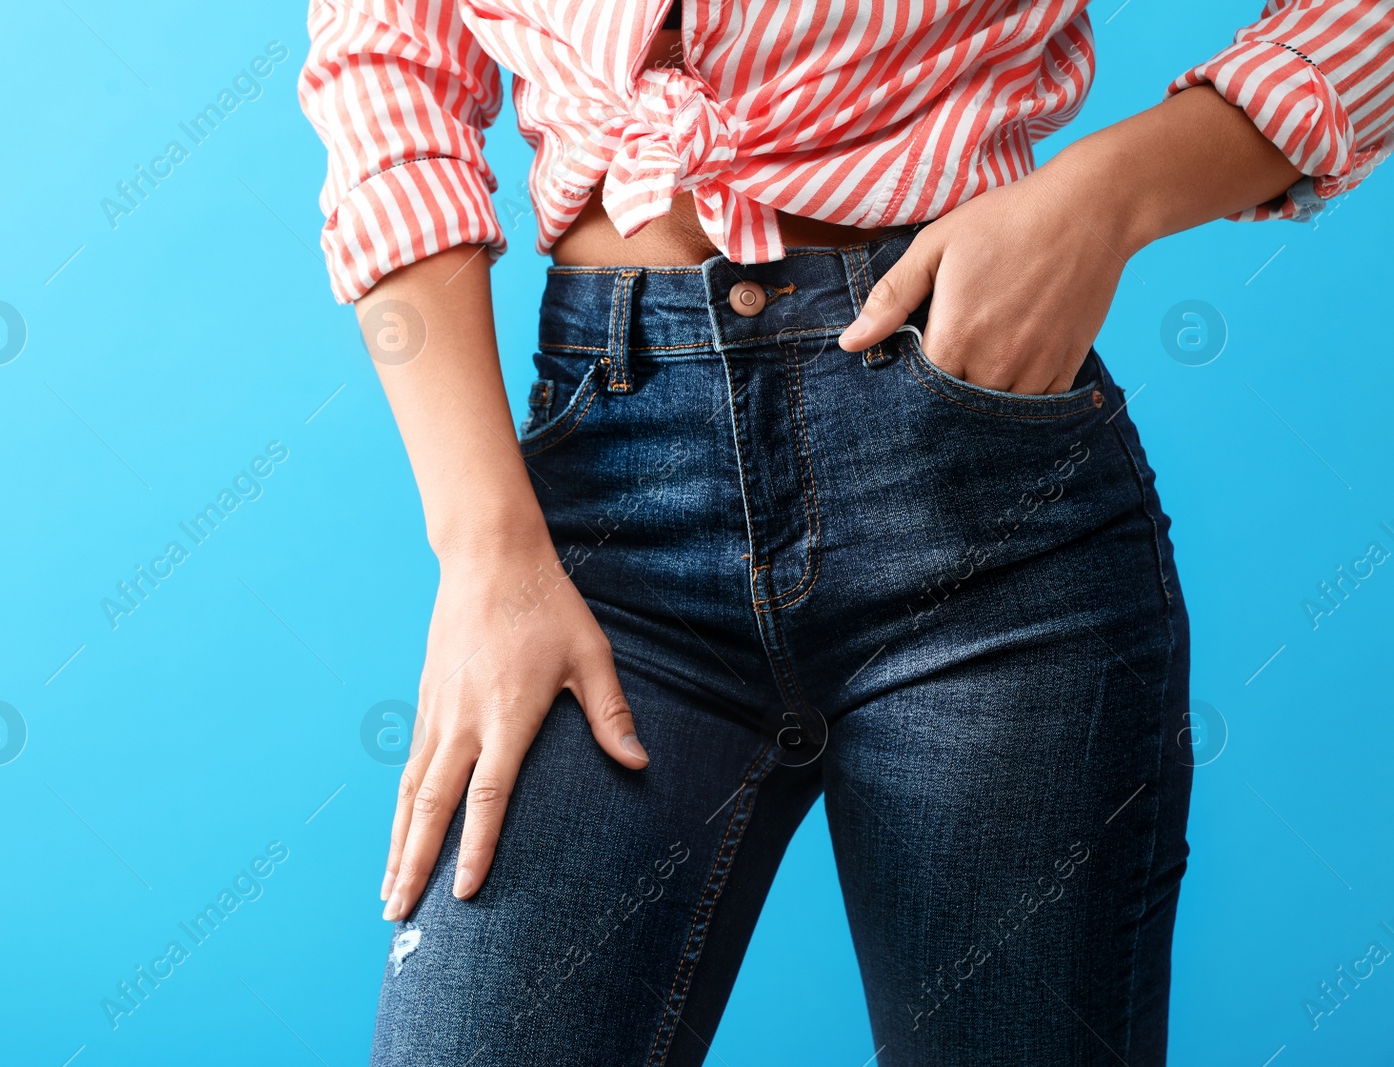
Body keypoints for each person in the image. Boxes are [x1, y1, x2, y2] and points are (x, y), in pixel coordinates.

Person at [298, 2, 1392, 1064]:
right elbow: (389, 64)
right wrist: (485, 547)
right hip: (604, 509)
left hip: (975, 478)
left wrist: (1104, 199)